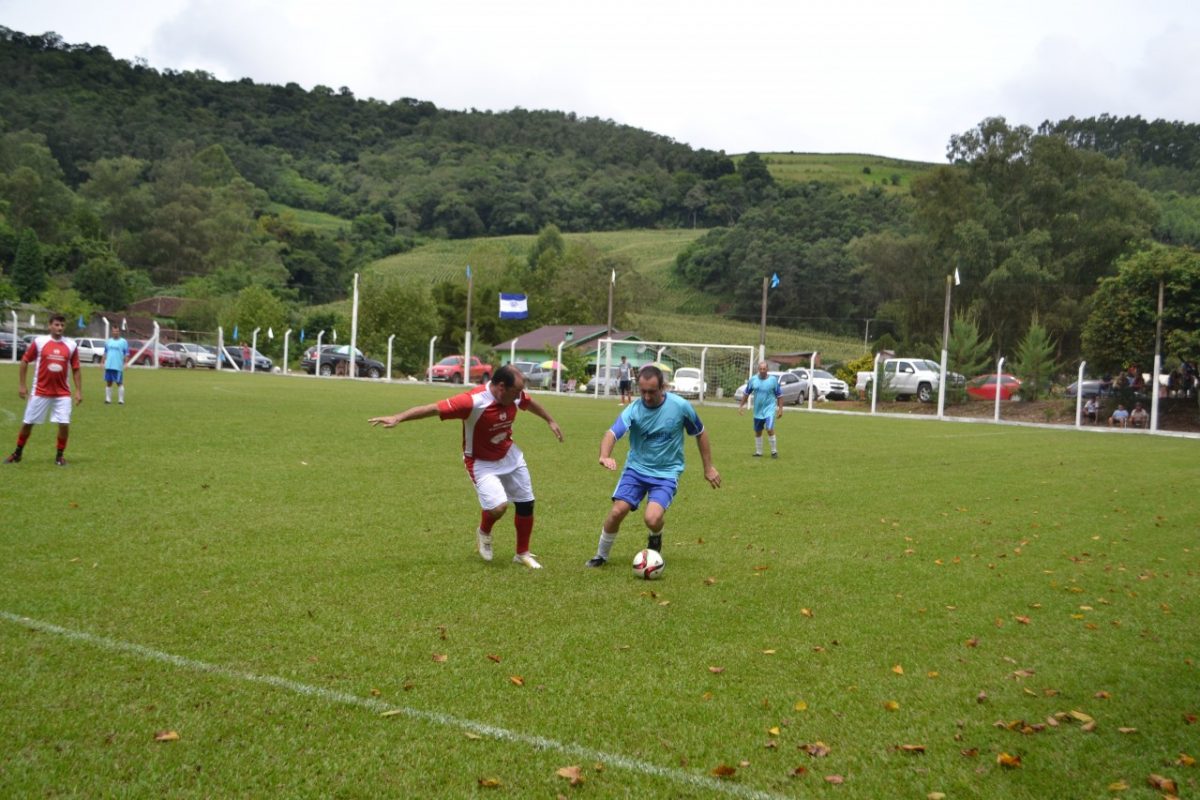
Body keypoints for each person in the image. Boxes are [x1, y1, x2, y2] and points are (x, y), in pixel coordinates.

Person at [368, 365, 563, 568]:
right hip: (481, 462)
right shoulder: (473, 401)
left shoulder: (514, 395)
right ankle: (484, 531)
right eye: (516, 392)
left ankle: (522, 553)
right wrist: (398, 417)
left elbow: (529, 403)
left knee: (526, 503)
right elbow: (434, 408)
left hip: (509, 455)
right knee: (498, 508)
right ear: (501, 387)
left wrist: (550, 420)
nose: (520, 396)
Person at [586, 364, 721, 567]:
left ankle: (655, 536)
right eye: (643, 392)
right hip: (636, 470)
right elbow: (612, 433)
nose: (647, 397)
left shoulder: (680, 406)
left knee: (652, 518)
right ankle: (600, 556)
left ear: (663, 387)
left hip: (666, 473)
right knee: (616, 512)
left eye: (652, 391)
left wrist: (708, 467)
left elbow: (700, 432)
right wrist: (605, 455)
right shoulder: (633, 410)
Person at [5, 314, 83, 466]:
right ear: (49, 326)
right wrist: (22, 385)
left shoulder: (71, 345)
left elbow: (76, 368)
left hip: (63, 393)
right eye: (56, 324)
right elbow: (25, 361)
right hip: (40, 391)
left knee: (64, 424)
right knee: (28, 423)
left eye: (62, 325)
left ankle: (59, 456)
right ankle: (17, 453)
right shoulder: (40, 342)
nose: (59, 328)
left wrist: (79, 390)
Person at [738, 360, 783, 458]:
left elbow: (779, 395)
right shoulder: (753, 380)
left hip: (769, 409)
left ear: (767, 369)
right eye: (760, 369)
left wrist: (780, 409)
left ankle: (774, 452)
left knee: (769, 428)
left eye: (764, 369)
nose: (762, 370)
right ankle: (759, 452)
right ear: (758, 369)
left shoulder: (773, 380)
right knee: (758, 431)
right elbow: (746, 393)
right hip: (758, 411)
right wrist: (741, 406)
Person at [103, 329, 130, 404]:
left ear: (119, 332)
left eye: (117, 331)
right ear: (112, 332)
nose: (115, 333)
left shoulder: (123, 342)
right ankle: (108, 399)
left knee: (119, 382)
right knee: (109, 382)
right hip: (109, 365)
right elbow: (105, 352)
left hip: (118, 365)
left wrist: (126, 363)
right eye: (114, 331)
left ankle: (121, 400)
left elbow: (126, 353)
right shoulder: (108, 341)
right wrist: (102, 362)